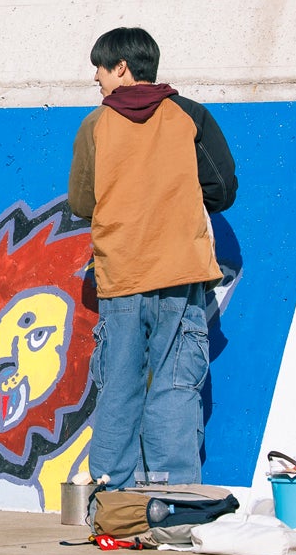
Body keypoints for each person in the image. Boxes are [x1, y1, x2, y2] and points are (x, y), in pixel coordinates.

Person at [67, 26, 237, 490]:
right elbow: (223, 189)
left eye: (99, 69)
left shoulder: (95, 124)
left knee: (119, 390)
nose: (97, 80)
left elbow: (82, 202)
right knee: (175, 387)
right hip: (180, 275)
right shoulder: (190, 115)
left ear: (120, 66)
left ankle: (110, 500)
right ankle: (174, 499)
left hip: (122, 274)